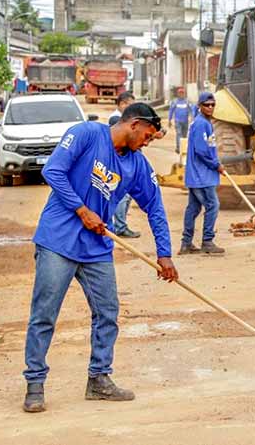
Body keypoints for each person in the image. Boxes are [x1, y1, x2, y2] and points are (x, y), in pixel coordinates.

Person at [23, 103, 178, 413]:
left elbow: (156, 209)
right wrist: (81, 210)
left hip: (96, 249)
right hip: (58, 241)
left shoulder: (137, 165)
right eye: (147, 135)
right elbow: (52, 170)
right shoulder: (87, 134)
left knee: (107, 313)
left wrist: (165, 254)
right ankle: (35, 384)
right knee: (44, 314)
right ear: (134, 124)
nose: (148, 142)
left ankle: (99, 379)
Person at [181, 91, 225, 255]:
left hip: (200, 175)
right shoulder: (201, 124)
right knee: (213, 206)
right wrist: (215, 165)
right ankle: (207, 241)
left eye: (213, 104)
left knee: (193, 208)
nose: (210, 107)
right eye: (207, 105)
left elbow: (208, 148)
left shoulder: (205, 123)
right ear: (200, 106)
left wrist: (216, 163)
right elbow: (201, 150)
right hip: (201, 176)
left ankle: (186, 243)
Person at [107, 92, 140, 238]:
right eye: (129, 104)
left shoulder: (125, 119)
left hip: (122, 161)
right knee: (122, 196)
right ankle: (120, 226)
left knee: (126, 194)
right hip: (117, 162)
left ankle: (119, 224)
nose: (131, 108)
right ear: (121, 104)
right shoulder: (116, 119)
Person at [168, 86, 195, 154]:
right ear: (177, 94)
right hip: (178, 121)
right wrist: (169, 120)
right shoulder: (175, 102)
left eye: (182, 93)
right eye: (180, 93)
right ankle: (178, 148)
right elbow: (171, 111)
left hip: (185, 121)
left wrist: (193, 118)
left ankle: (183, 148)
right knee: (179, 134)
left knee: (184, 135)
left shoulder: (187, 101)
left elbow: (192, 110)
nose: (181, 94)